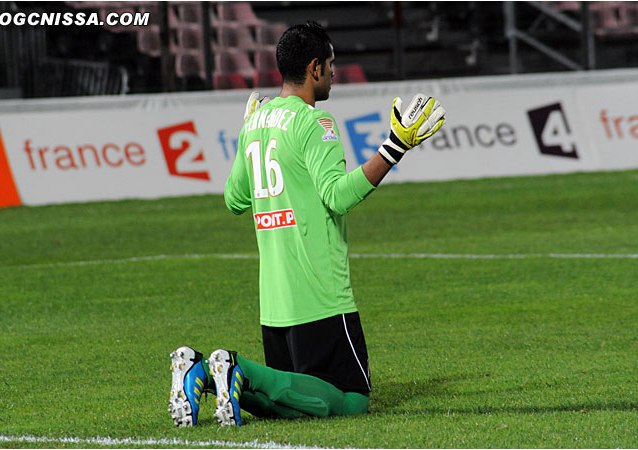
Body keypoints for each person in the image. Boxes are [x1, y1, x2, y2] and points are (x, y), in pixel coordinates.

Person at [168, 21, 446, 427]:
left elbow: (233, 200)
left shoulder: (257, 122)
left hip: (274, 304)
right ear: (314, 67)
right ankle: (237, 367)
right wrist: (395, 147)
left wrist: (248, 132)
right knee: (352, 401)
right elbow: (338, 195)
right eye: (331, 64)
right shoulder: (316, 122)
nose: (334, 73)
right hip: (319, 296)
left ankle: (204, 372)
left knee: (294, 404)